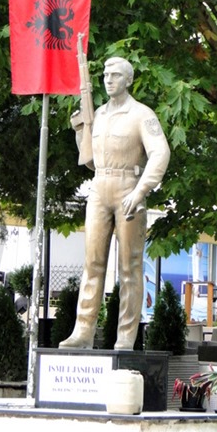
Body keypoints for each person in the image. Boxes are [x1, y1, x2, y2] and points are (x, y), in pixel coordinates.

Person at [59, 56, 171, 350]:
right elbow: (91, 162)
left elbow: (160, 153)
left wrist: (141, 190)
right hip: (99, 188)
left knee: (129, 267)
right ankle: (83, 331)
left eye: (116, 75)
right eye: (106, 75)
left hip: (128, 187)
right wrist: (81, 130)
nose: (109, 80)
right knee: (92, 263)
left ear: (128, 80)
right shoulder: (99, 115)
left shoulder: (142, 114)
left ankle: (125, 336)